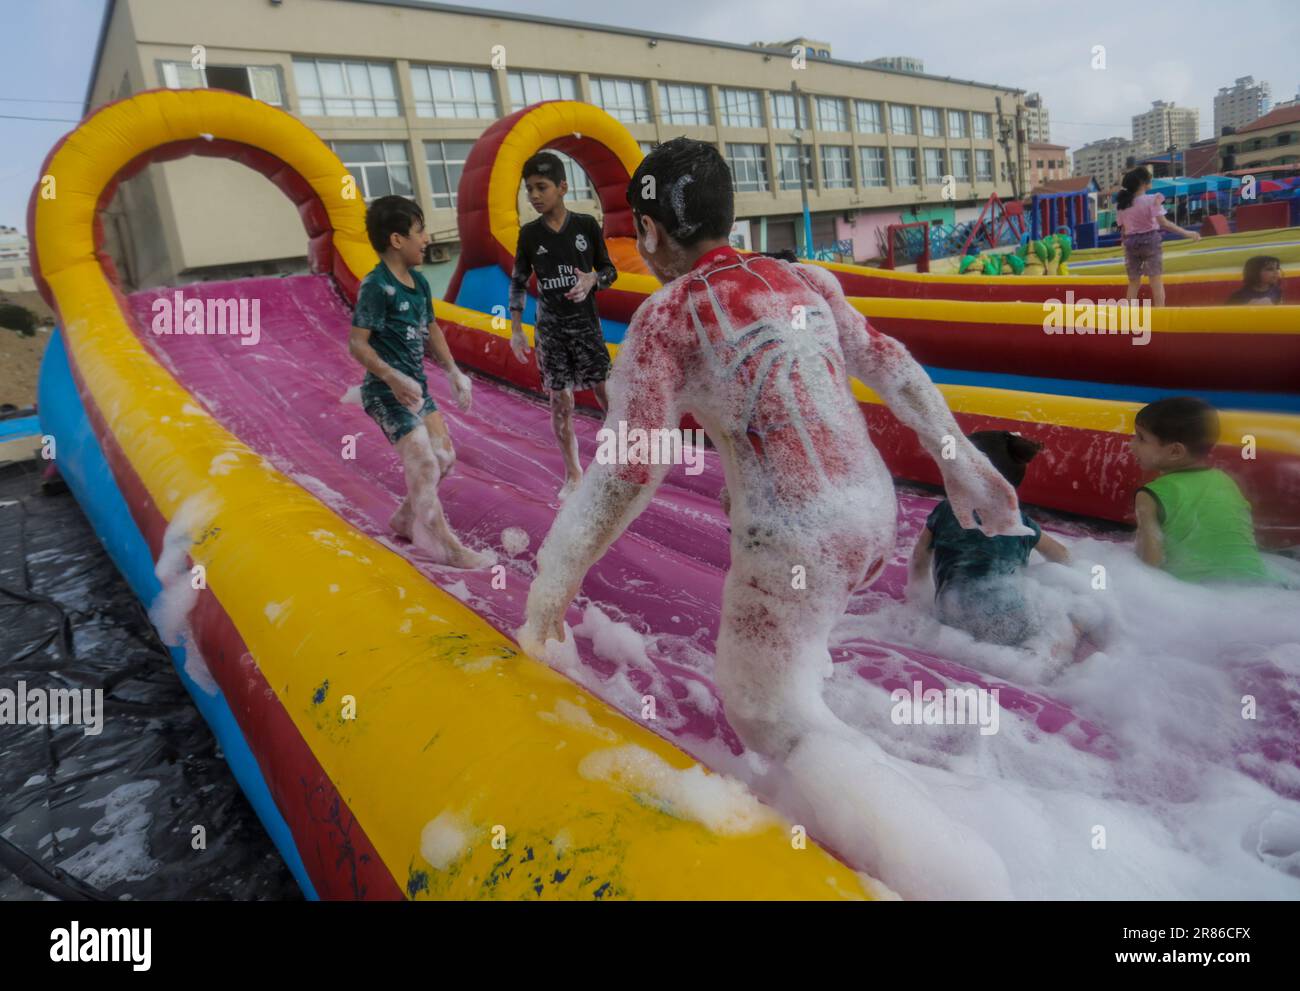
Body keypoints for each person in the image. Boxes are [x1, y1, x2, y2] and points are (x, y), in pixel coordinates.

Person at [521, 137, 1025, 758]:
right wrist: (961, 462)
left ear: (648, 231)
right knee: (796, 662)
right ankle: (854, 750)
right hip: (871, 519)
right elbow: (888, 362)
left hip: (798, 540)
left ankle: (925, 840)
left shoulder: (668, 315)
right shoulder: (803, 278)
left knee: (763, 713)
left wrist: (549, 593)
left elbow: (627, 471)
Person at [348, 196, 491, 569]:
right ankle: (446, 547)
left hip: (417, 391)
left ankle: (405, 519)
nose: (426, 238)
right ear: (397, 240)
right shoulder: (376, 286)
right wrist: (391, 376)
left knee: (445, 457)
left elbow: (432, 331)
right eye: (420, 231)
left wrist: (454, 372)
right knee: (425, 462)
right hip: (385, 392)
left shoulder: (421, 283)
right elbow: (357, 344)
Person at [508, 152, 618, 500]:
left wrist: (593, 280)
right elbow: (518, 281)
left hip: (585, 327)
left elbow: (609, 271)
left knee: (605, 393)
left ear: (562, 187)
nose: (535, 196)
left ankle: (620, 459)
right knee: (561, 401)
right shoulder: (528, 235)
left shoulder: (586, 226)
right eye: (529, 190)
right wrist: (515, 329)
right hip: (551, 331)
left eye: (541, 187)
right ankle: (573, 473)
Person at [908, 431, 1076, 653]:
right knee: (1076, 617)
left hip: (952, 619)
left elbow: (920, 560)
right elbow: (1062, 556)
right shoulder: (1021, 524)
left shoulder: (943, 511)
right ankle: (1055, 656)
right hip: (1011, 623)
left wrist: (917, 600)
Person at [1131, 396, 1277, 584]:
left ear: (1175, 451)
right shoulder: (1225, 481)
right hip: (1257, 585)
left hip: (1192, 593)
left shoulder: (1150, 496)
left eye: (1141, 438)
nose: (1131, 444)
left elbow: (1151, 564)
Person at [1115, 166, 1200, 307]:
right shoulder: (1151, 200)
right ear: (1143, 183)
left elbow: (1123, 231)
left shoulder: (1123, 205)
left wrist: (1125, 242)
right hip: (1150, 242)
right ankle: (1160, 313)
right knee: (1156, 281)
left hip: (1131, 243)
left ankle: (1128, 315)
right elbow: (1164, 223)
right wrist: (1187, 233)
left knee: (1134, 282)